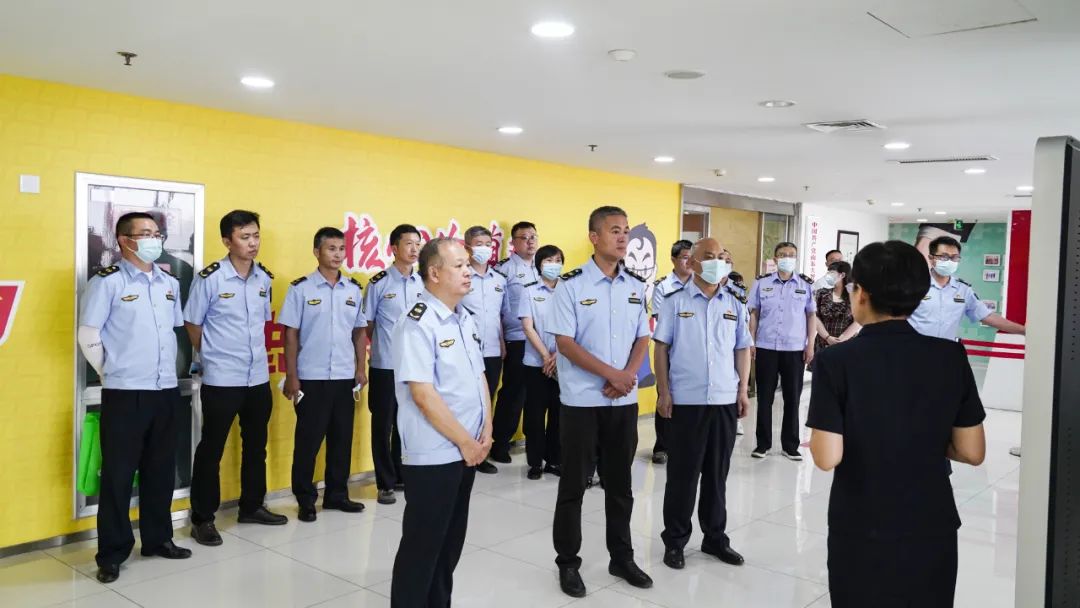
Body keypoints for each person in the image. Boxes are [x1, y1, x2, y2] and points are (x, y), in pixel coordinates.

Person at [807, 240, 987, 608]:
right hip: (931, 519)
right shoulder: (950, 356)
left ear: (861, 294)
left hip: (862, 521)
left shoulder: (836, 362)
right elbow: (972, 451)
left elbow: (827, 457)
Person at [78, 212, 192, 584]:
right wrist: (108, 370)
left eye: (156, 233)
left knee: (161, 470)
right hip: (126, 393)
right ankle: (112, 552)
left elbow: (173, 331)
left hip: (164, 389)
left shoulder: (169, 282)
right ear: (124, 240)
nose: (153, 239)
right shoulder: (107, 282)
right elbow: (88, 334)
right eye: (144, 233)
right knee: (119, 474)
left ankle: (158, 539)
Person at [550, 206, 653, 598]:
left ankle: (621, 557)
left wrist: (626, 375)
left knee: (621, 485)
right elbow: (565, 343)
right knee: (573, 486)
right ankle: (568, 563)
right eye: (614, 230)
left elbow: (642, 336)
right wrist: (612, 375)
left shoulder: (634, 285)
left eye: (625, 230)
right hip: (582, 402)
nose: (623, 237)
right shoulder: (571, 285)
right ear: (594, 237)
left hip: (622, 402)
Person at [389, 237, 493, 608]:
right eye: (459, 266)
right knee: (422, 548)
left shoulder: (463, 317)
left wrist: (487, 430)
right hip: (435, 452)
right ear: (434, 273)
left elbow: (479, 376)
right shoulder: (417, 323)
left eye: (468, 264)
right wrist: (466, 442)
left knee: (449, 544)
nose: (469, 271)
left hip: (467, 449)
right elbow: (423, 394)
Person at [186, 210, 287, 547]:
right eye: (245, 237)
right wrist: (210, 355)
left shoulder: (264, 279)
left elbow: (261, 323)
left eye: (256, 236)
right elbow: (192, 323)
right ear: (227, 241)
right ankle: (203, 519)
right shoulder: (210, 278)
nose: (253, 243)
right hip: (221, 378)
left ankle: (252, 506)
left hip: (257, 376)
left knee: (256, 445)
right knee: (211, 449)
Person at [653, 237, 752, 571]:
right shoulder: (674, 300)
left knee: (716, 474)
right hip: (687, 401)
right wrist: (663, 392)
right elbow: (661, 348)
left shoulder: (735, 301)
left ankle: (715, 538)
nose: (716, 261)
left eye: (720, 256)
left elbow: (742, 348)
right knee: (682, 475)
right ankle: (675, 541)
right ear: (692, 262)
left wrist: (742, 391)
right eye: (708, 256)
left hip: (724, 399)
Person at [280, 227, 368, 522]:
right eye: (331, 248)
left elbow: (359, 332)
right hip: (311, 377)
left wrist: (360, 368)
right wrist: (292, 376)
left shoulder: (353, 289)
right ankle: (305, 499)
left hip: (344, 376)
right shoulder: (301, 289)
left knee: (341, 439)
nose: (338, 254)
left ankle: (337, 495)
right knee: (308, 442)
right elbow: (290, 335)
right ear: (317, 252)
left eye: (341, 248)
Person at [363, 224, 424, 504]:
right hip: (385, 365)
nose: (414, 249)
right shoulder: (379, 283)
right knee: (383, 425)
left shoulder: (424, 282)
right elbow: (367, 325)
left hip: (414, 366)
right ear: (394, 248)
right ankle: (385, 482)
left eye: (417, 244)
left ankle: (402, 475)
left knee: (407, 422)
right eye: (408, 243)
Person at [748, 242, 816, 461]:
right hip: (766, 347)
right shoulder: (761, 283)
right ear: (775, 259)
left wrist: (810, 345)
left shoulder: (805, 285)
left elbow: (811, 316)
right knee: (764, 398)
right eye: (782, 254)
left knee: (792, 399)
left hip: (794, 349)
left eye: (791, 254)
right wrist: (751, 341)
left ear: (796, 258)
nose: (787, 258)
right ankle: (763, 444)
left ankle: (790, 445)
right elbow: (754, 314)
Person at [908, 235, 1026, 340]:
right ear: (931, 258)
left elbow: (986, 316)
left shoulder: (963, 289)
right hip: (913, 348)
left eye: (954, 257)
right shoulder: (915, 285)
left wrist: (1024, 330)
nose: (950, 261)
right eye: (944, 257)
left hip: (945, 350)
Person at [491, 221, 540, 463]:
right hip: (518, 338)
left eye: (533, 237)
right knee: (514, 393)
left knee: (538, 395)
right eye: (524, 238)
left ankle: (537, 446)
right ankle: (500, 443)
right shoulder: (504, 269)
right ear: (513, 242)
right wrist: (501, 340)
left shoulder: (543, 267)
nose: (530, 242)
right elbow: (496, 309)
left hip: (543, 341)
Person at [461, 226, 506, 474]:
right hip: (467, 352)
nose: (485, 249)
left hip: (492, 350)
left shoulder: (499, 280)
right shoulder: (460, 276)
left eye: (488, 244)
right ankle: (466, 449)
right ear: (467, 247)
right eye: (479, 244)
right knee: (469, 401)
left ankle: (482, 452)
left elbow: (500, 316)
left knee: (488, 401)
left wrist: (502, 344)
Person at [519, 244, 565, 480]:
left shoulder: (568, 289)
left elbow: (575, 326)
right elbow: (528, 327)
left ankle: (554, 460)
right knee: (535, 416)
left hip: (563, 362)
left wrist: (559, 354)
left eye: (557, 260)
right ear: (539, 265)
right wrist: (547, 356)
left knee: (558, 414)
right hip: (535, 363)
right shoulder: (528, 291)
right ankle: (535, 462)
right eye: (548, 261)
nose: (554, 265)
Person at [649, 239, 693, 465]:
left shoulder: (700, 283)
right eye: (684, 257)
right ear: (674, 260)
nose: (689, 262)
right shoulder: (663, 286)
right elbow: (660, 320)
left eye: (692, 257)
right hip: (669, 350)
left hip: (694, 351)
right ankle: (662, 447)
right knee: (665, 395)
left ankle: (685, 444)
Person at [813, 261, 860, 353]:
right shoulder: (822, 293)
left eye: (831, 272)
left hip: (848, 345)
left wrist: (841, 340)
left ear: (842, 275)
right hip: (822, 343)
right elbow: (815, 317)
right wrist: (827, 337)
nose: (827, 275)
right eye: (828, 272)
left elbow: (858, 321)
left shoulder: (855, 296)